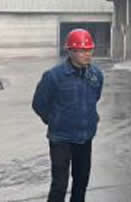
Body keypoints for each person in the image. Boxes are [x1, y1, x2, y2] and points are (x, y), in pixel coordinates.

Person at [32, 29, 104, 202]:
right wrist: (54, 120)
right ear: (70, 51)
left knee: (81, 182)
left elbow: (95, 97)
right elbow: (39, 104)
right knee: (59, 185)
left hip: (84, 137)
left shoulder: (96, 75)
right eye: (82, 51)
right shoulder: (54, 76)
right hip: (61, 138)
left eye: (89, 50)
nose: (87, 55)